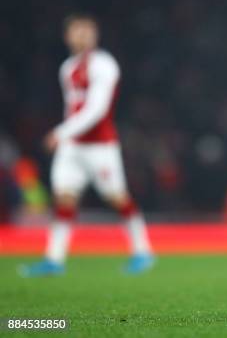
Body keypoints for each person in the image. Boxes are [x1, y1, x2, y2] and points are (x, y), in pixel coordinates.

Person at [20, 14, 154, 276]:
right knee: (63, 198)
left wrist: (61, 131)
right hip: (72, 147)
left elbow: (97, 109)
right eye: (76, 30)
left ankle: (143, 251)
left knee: (116, 197)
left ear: (96, 35)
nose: (82, 35)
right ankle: (54, 260)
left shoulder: (104, 65)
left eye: (87, 30)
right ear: (67, 36)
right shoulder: (67, 68)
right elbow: (72, 108)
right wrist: (67, 135)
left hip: (100, 146)